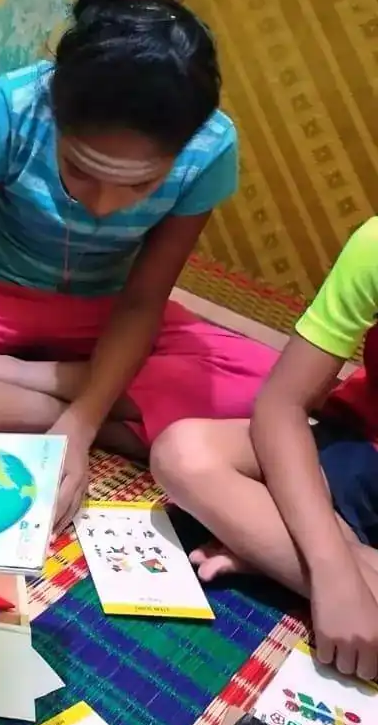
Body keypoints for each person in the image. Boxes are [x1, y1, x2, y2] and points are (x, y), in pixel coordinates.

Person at [0, 0, 278, 527]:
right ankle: (104, 411)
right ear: (55, 112)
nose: (102, 205)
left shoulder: (211, 147)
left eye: (139, 185)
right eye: (80, 170)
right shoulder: (14, 106)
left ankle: (32, 385)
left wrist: (83, 421)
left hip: (109, 308)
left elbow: (144, 299)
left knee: (267, 388)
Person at [152, 218, 378, 682]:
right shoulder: (375, 244)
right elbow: (281, 404)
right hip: (361, 450)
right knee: (183, 451)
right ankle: (329, 563)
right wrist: (332, 568)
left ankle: (273, 546)